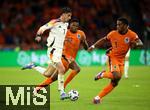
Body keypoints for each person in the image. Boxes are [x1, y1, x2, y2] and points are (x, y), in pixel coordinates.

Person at [22, 18, 88, 98]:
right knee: (54, 78)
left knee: (48, 74)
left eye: (77, 26)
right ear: (69, 25)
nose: (75, 27)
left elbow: (85, 45)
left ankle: (33, 66)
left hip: (70, 59)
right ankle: (40, 89)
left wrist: (87, 46)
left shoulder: (81, 34)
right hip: (61, 57)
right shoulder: (64, 32)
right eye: (73, 25)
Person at [88, 17, 143, 104]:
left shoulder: (132, 34)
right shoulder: (113, 33)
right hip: (112, 57)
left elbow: (140, 43)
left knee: (115, 82)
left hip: (121, 59)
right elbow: (103, 40)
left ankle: (97, 98)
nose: (117, 26)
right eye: (117, 24)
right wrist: (93, 46)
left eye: (119, 24)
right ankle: (102, 74)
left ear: (125, 26)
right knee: (117, 76)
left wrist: (137, 44)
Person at [32, 7, 72, 99]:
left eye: (70, 16)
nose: (69, 18)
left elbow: (61, 37)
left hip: (59, 51)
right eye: (69, 15)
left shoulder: (66, 24)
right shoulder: (54, 22)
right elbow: (42, 28)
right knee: (61, 69)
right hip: (52, 51)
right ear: (63, 14)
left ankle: (33, 66)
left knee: (48, 74)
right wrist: (38, 35)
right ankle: (62, 92)